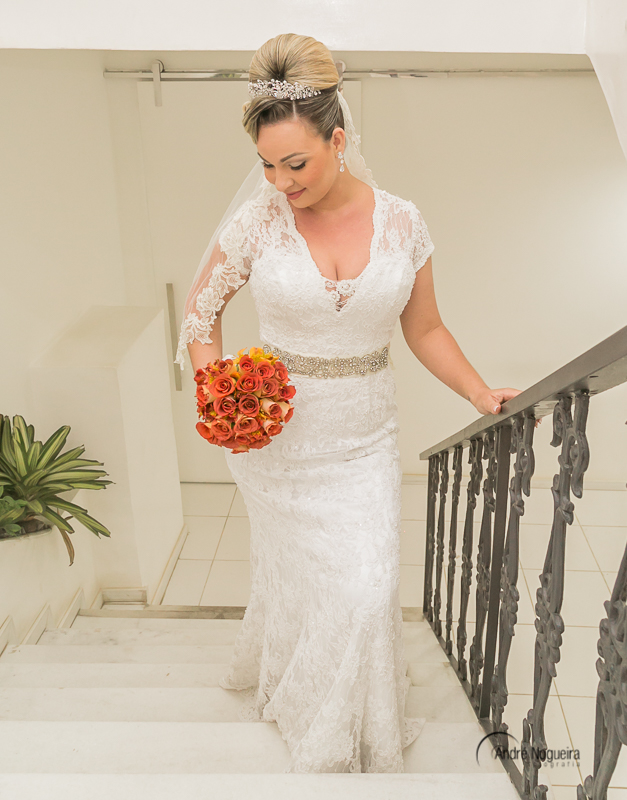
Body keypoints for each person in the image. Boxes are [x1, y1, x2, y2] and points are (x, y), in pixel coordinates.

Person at [175, 33, 521, 773]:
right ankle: (299, 696)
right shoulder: (258, 222)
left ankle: (346, 729)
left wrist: (478, 389)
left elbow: (424, 328)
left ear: (338, 140)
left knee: (365, 590)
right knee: (305, 579)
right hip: (276, 442)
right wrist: (219, 393)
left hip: (363, 438)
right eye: (266, 165)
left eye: (295, 164)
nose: (280, 182)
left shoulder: (402, 222)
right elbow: (200, 316)